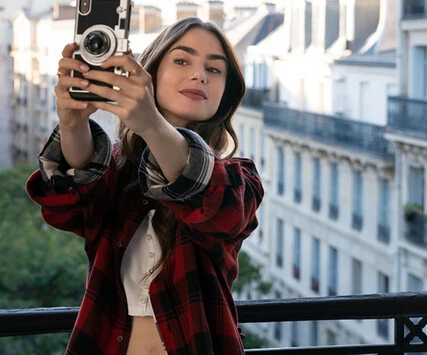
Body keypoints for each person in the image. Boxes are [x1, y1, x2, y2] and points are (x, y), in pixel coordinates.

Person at [26, 17, 263, 355]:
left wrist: (151, 123)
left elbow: (214, 201)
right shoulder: (116, 173)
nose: (199, 75)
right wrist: (72, 122)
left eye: (215, 70)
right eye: (182, 60)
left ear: (226, 94)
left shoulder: (239, 180)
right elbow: (66, 202)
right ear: (151, 72)